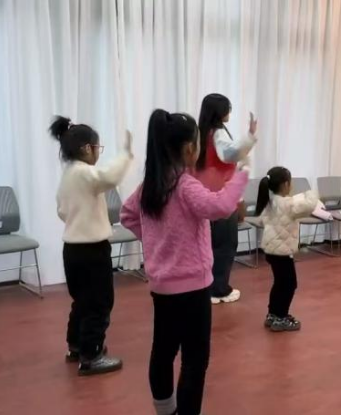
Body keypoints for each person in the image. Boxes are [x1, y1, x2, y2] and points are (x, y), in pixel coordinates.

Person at [121, 110, 249, 416]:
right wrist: (241, 174)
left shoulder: (149, 186)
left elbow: (127, 214)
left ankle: (165, 411)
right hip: (192, 288)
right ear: (189, 148)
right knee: (194, 358)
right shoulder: (184, 185)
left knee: (163, 351)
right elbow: (220, 206)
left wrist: (155, 242)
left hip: (162, 287)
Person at [51, 116, 133, 376]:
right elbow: (109, 177)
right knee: (99, 302)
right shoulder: (84, 173)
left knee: (82, 301)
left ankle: (76, 345)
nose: (98, 153)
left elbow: (62, 211)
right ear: (87, 148)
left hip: (72, 250)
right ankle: (91, 355)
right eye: (98, 148)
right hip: (92, 250)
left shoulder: (68, 175)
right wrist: (126, 154)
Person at [197, 93, 258, 305]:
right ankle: (218, 289)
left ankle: (207, 286)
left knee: (209, 245)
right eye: (227, 108)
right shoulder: (218, 132)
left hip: (205, 195)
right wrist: (250, 136)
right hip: (222, 196)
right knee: (225, 245)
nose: (229, 112)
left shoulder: (201, 133)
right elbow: (230, 154)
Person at [255, 167, 318, 332]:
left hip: (271, 250)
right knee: (290, 284)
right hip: (282, 252)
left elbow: (262, 220)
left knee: (279, 283)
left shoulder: (270, 201)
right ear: (285, 184)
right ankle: (281, 317)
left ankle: (273, 314)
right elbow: (309, 205)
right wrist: (311, 193)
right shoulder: (288, 204)